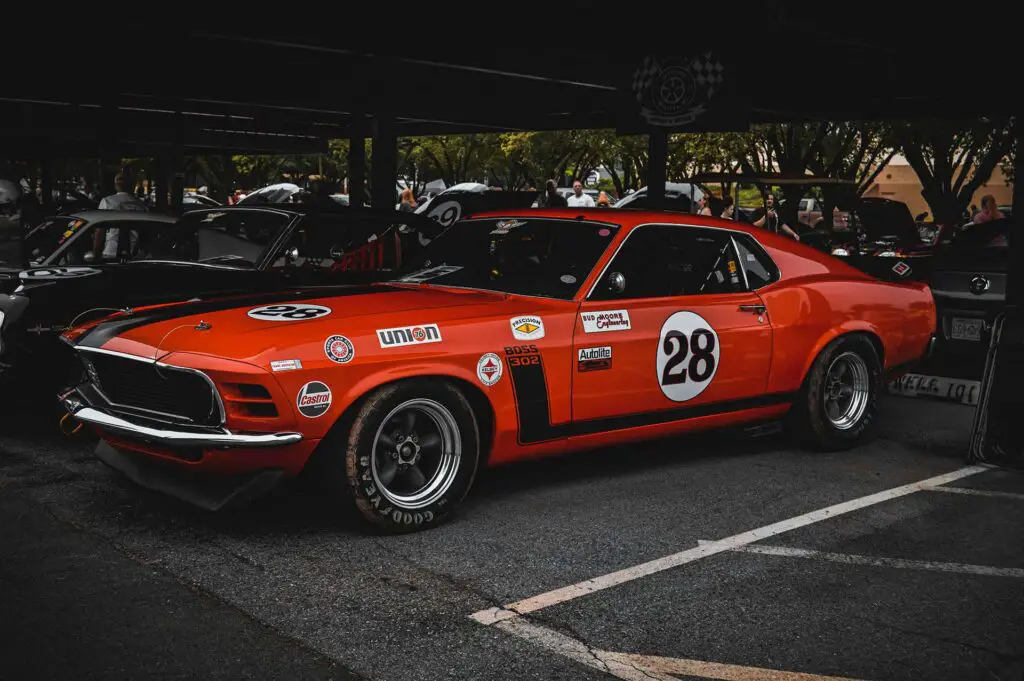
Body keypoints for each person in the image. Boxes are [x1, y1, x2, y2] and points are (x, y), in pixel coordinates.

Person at [93, 172, 147, 260]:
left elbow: (99, 231)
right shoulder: (141, 205)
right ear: (131, 185)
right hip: (134, 253)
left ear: (115, 186)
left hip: (111, 252)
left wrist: (96, 254)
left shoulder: (107, 202)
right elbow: (145, 232)